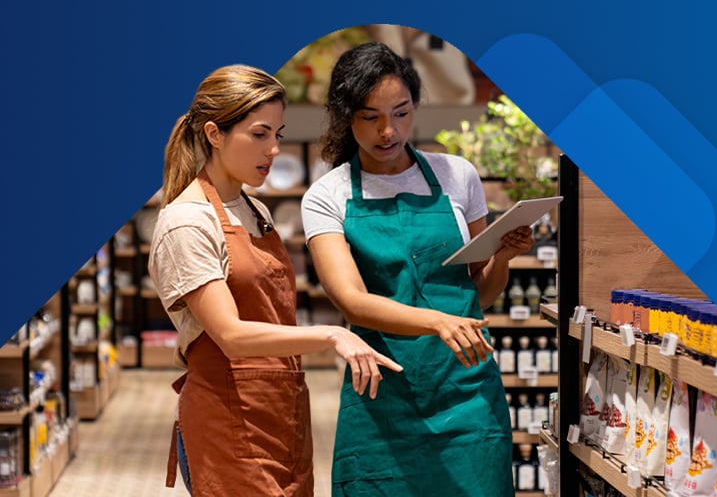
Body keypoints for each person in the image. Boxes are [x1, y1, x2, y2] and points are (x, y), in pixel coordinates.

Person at [147, 63, 402, 496]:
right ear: (214, 133)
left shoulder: (255, 211)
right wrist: (330, 336)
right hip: (228, 418)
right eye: (259, 134)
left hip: (281, 411)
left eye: (278, 135)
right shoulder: (187, 222)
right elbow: (230, 335)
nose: (274, 150)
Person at [300, 42, 535, 495]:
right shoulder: (327, 196)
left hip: (466, 389)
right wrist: (438, 322)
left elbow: (477, 295)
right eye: (371, 117)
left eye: (402, 113)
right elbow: (352, 301)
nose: (389, 130)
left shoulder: (457, 176)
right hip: (383, 394)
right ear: (345, 115)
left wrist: (502, 257)